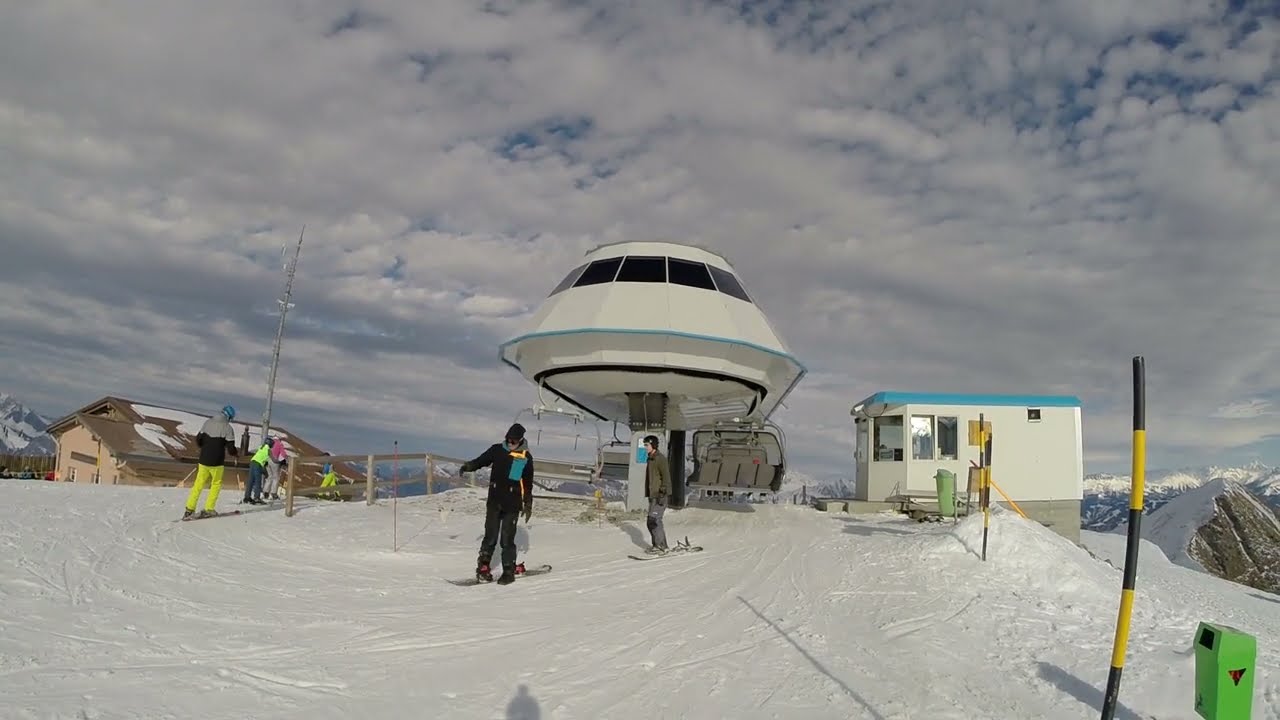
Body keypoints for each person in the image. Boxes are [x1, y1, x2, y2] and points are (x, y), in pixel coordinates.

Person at [459, 422, 535, 584]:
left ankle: (508, 571)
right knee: (490, 536)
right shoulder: (497, 450)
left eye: (514, 441)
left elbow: (527, 482)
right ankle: (483, 568)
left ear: (521, 440)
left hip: (512, 504)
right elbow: (481, 461)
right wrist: (468, 466)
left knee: (507, 539)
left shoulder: (526, 458)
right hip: (494, 501)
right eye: (508, 440)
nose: (510, 443)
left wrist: (528, 502)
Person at [185, 405, 240, 519]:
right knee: (215, 484)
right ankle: (209, 508)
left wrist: (204, 448)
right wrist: (235, 454)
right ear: (229, 417)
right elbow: (231, 449)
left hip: (203, 459)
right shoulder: (228, 428)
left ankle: (189, 509)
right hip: (217, 462)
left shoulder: (207, 422)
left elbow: (198, 439)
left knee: (198, 484)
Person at [643, 434, 671, 553]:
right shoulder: (651, 458)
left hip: (660, 495)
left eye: (647, 445)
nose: (645, 447)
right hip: (653, 495)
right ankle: (657, 544)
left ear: (653, 445)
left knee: (654, 520)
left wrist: (663, 492)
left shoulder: (660, 459)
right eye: (645, 445)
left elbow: (666, 476)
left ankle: (661, 546)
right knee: (650, 521)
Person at [244, 437, 273, 504]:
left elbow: (262, 460)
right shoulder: (268, 449)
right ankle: (257, 498)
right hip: (258, 464)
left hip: (252, 462)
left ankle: (247, 497)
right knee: (258, 482)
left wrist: (265, 470)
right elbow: (271, 460)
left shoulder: (261, 447)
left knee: (250, 481)